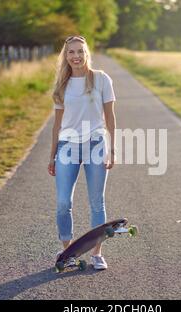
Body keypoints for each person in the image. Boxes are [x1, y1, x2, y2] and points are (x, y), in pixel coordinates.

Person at [48, 35, 117, 270]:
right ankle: (68, 252)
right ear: (65, 56)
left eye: (80, 51)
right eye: (71, 52)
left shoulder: (101, 80)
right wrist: (52, 155)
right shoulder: (61, 85)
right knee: (62, 202)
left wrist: (112, 149)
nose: (76, 56)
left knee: (97, 202)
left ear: (87, 53)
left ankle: (97, 254)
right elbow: (57, 125)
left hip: (96, 145)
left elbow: (110, 117)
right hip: (67, 147)